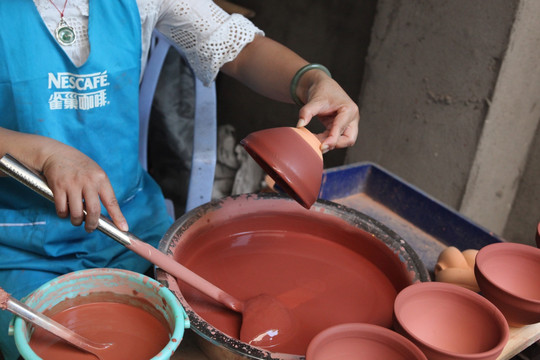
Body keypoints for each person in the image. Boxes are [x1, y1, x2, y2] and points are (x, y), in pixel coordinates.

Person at [0, 0, 359, 358]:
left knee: (203, 331)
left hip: (131, 225)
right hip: (22, 243)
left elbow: (241, 51)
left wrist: (312, 80)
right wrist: (43, 153)